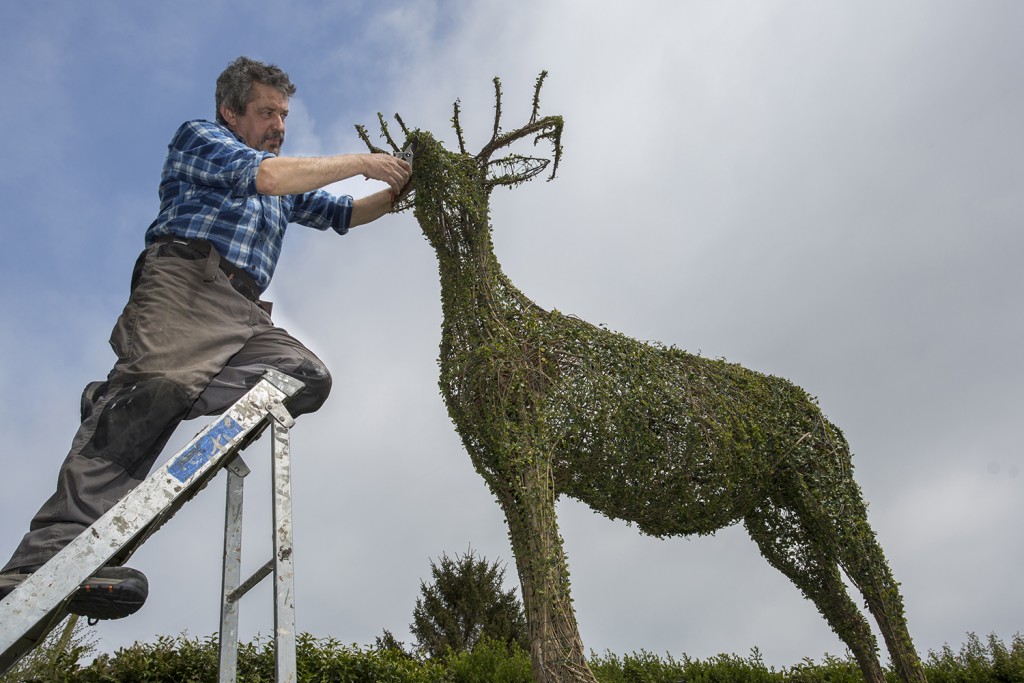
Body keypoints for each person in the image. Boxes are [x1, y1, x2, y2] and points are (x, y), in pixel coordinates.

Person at [0, 56, 412, 620]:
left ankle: (160, 410)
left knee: (305, 378)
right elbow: (268, 177)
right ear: (230, 110)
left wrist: (403, 190)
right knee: (152, 392)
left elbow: (344, 214)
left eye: (284, 114)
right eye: (267, 112)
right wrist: (366, 161)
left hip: (243, 315)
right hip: (186, 282)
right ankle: (43, 556)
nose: (279, 125)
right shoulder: (200, 138)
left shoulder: (285, 184)